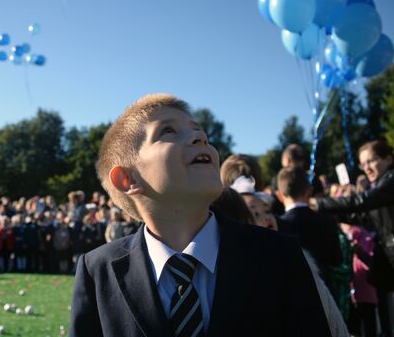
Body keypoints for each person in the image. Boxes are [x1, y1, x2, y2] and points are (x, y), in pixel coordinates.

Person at [69, 94, 330, 336]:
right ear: (128, 179)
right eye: (168, 131)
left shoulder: (279, 255)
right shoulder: (98, 271)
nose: (200, 138)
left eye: (199, 131)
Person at [310, 139, 394, 336]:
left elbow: (363, 201)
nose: (367, 167)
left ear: (388, 158)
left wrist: (322, 204)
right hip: (386, 263)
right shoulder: (381, 186)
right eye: (363, 164)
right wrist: (324, 212)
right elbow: (359, 217)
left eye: (371, 161)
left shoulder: (390, 181)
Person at [277, 167, 343, 292]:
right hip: (325, 293)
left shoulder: (278, 225)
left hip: (292, 294)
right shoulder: (327, 221)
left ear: (279, 195)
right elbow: (336, 260)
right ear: (309, 191)